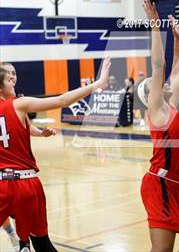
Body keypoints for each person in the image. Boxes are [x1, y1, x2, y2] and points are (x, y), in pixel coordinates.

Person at [0, 58, 110, 252]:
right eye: (9, 80)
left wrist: (39, 133)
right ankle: (20, 241)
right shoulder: (19, 104)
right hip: (25, 184)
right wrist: (97, 84)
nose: (13, 81)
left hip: (3, 184)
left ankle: (18, 241)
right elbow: (62, 100)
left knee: (32, 241)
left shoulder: (17, 107)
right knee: (42, 243)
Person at [138, 1, 179, 252]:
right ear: (150, 95)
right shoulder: (157, 110)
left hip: (178, 184)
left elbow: (177, 68)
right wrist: (155, 27)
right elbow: (159, 66)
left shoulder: (172, 106)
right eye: (155, 84)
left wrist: (177, 40)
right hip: (160, 183)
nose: (163, 83)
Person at [0, 62, 56, 252]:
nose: (12, 77)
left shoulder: (17, 102)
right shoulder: (15, 102)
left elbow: (23, 126)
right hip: (15, 176)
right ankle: (15, 236)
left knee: (24, 217)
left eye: (14, 73)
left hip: (16, 174)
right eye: (8, 75)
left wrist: (41, 133)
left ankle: (21, 242)